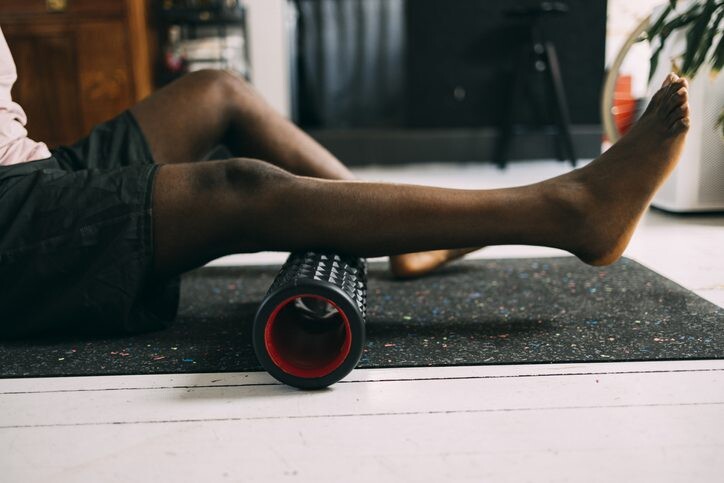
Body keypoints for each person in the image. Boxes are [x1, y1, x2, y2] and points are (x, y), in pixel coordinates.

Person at [0, 27, 690, 337]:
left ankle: (407, 238)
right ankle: (571, 211)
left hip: (32, 163)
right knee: (236, 188)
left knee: (217, 92)